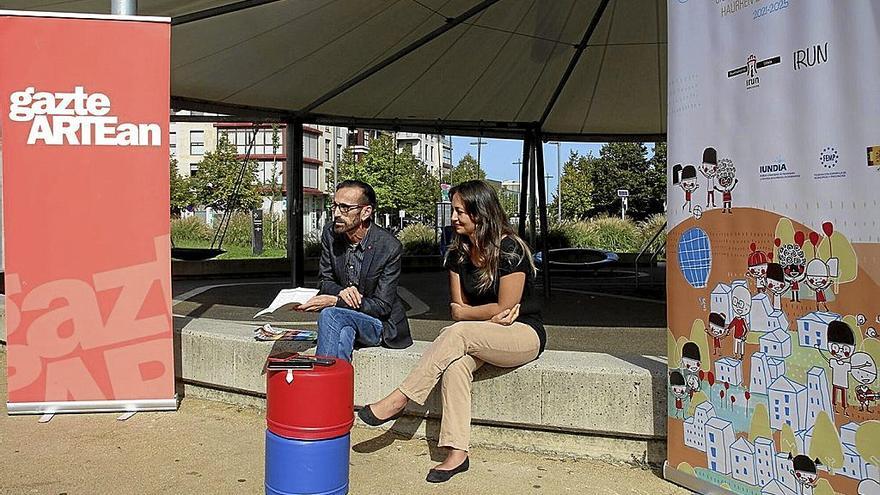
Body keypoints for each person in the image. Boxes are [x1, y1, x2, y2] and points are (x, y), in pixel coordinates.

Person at [358, 180, 544, 483]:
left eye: (459, 211)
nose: (453, 217)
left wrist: (472, 314)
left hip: (522, 333)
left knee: (456, 333)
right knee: (455, 365)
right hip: (478, 334)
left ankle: (400, 399)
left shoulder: (511, 249)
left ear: (480, 213)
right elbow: (457, 309)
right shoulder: (458, 254)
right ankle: (457, 453)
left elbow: (506, 310)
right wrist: (477, 314)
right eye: (453, 211)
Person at [298, 180, 412, 361]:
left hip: (378, 323)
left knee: (331, 314)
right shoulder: (330, 234)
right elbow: (324, 281)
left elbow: (382, 307)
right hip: (344, 319)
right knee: (343, 334)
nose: (336, 213)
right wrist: (342, 292)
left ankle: (320, 383)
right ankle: (335, 387)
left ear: (366, 212)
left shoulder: (389, 247)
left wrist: (337, 301)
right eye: (334, 205)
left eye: (344, 208)